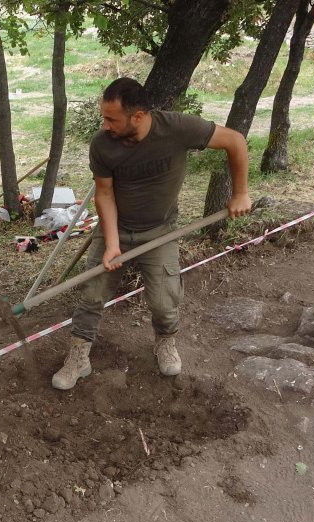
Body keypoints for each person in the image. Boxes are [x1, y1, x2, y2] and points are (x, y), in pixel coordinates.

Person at [52, 77, 252, 391]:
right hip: (116, 229)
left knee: (163, 301)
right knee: (92, 294)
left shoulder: (178, 128)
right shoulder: (103, 144)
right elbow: (104, 194)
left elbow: (235, 141)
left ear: (138, 116)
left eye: (111, 119)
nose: (105, 126)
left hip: (160, 231)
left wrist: (240, 193)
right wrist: (112, 244)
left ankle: (165, 342)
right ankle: (79, 357)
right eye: (104, 118)